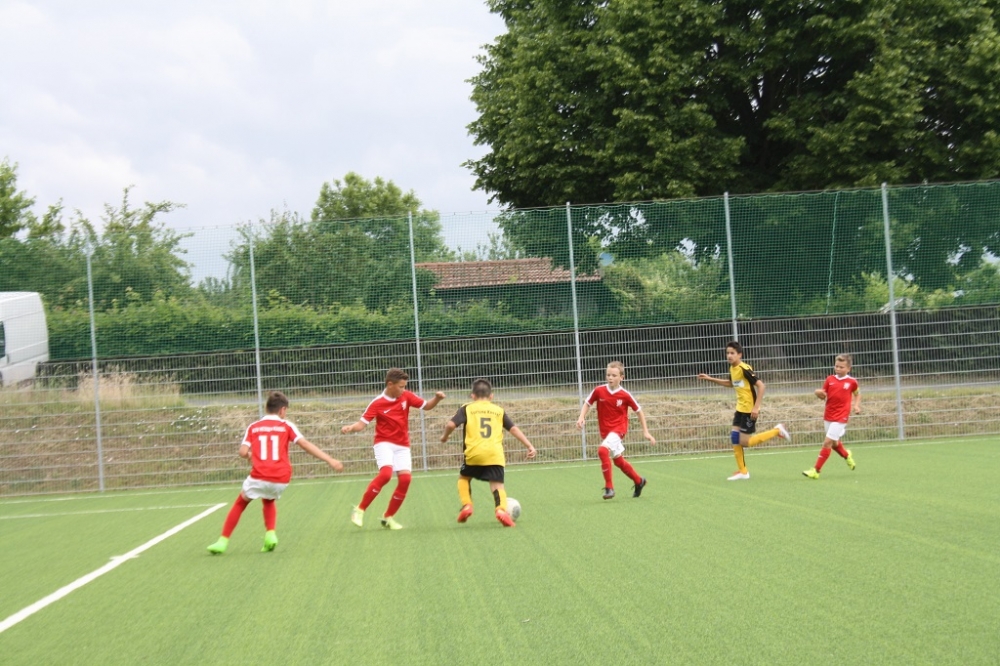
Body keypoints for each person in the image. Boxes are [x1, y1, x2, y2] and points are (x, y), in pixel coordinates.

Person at [207, 391, 343, 554]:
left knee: (241, 503)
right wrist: (330, 460)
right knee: (269, 499)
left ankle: (222, 541)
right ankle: (270, 535)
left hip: (259, 475)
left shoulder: (254, 426)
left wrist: (250, 456)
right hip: (281, 478)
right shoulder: (286, 426)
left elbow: (242, 452)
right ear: (282, 410)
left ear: (267, 408)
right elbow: (305, 444)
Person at [341, 368, 445, 530]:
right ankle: (359, 510)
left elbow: (427, 406)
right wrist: (350, 427)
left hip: (402, 445)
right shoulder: (377, 403)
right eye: (401, 386)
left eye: (405, 386)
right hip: (383, 443)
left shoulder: (406, 396)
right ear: (390, 385)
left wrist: (437, 398)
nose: (404, 390)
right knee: (385, 475)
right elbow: (361, 425)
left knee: (405, 480)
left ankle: (388, 517)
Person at [440, 378, 536, 527]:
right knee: (497, 485)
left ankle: (467, 505)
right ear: (491, 396)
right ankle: (501, 510)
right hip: (495, 454)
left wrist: (445, 436)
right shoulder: (498, 411)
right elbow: (513, 429)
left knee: (464, 478)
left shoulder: (467, 408)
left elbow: (451, 424)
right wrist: (529, 445)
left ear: (472, 396)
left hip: (474, 454)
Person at [697, 340, 790, 481]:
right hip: (740, 408)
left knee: (745, 442)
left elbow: (761, 386)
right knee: (735, 438)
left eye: (732, 353)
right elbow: (731, 383)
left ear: (739, 355)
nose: (729, 355)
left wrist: (756, 407)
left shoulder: (744, 369)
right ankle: (743, 471)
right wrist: (710, 379)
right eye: (728, 353)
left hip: (749, 410)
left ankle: (777, 430)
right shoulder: (732, 369)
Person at [576, 361, 656, 499]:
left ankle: (609, 488)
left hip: (619, 429)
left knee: (602, 451)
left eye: (614, 375)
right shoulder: (599, 390)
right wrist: (581, 417)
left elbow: (639, 411)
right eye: (608, 375)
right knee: (618, 461)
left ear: (621, 377)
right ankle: (639, 481)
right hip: (606, 432)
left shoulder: (625, 395)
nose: (610, 378)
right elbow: (587, 403)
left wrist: (646, 432)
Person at [803, 354, 860, 479]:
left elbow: (857, 394)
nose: (838, 369)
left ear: (848, 368)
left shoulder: (852, 382)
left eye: (841, 367)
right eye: (836, 366)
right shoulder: (830, 379)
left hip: (841, 416)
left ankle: (816, 471)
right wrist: (817, 392)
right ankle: (846, 455)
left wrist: (856, 406)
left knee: (827, 442)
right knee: (834, 443)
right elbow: (823, 395)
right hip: (829, 414)